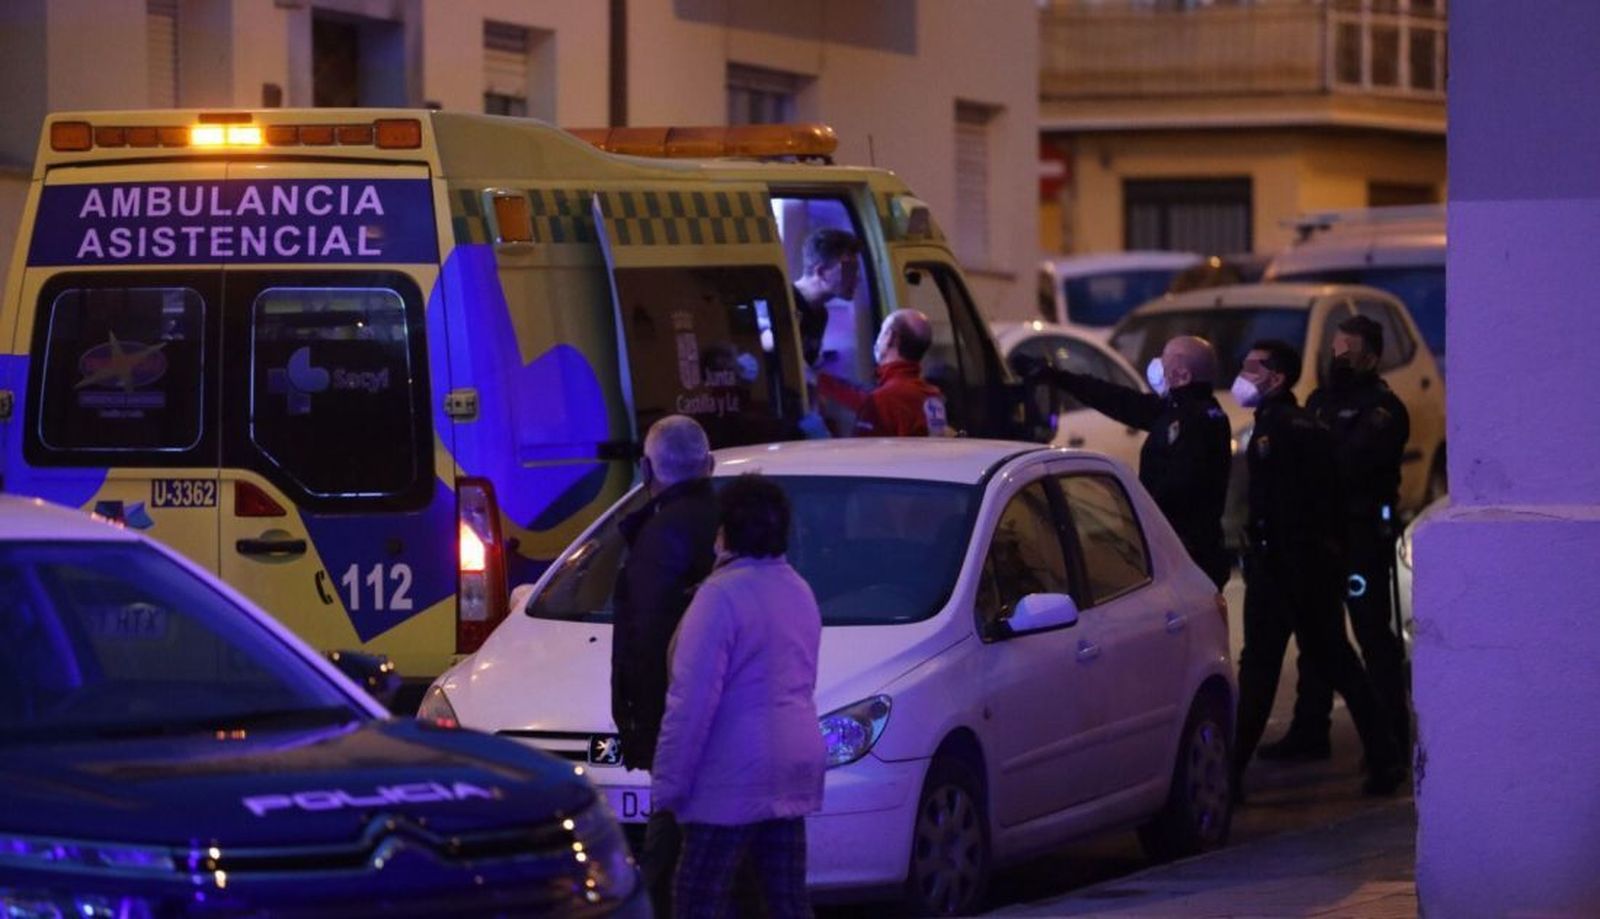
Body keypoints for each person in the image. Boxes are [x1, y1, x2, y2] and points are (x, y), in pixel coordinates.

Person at [1228, 339, 1405, 800]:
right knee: (1335, 659)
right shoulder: (1306, 422)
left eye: (1253, 368)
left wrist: (1274, 561)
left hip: (1286, 567)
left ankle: (1228, 774)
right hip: (1309, 565)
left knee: (1262, 668)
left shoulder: (1279, 431)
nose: (1243, 376)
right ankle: (1385, 756)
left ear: (1277, 378)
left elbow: (1286, 507)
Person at [651, 474, 826, 919]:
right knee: (784, 898)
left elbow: (690, 701)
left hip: (729, 776)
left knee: (697, 897)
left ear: (724, 530)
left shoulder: (719, 597)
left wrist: (668, 785)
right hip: (792, 764)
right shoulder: (799, 589)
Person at [1261, 315, 1412, 761]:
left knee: (1371, 633)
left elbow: (1347, 464)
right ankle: (1311, 728)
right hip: (1324, 537)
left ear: (1370, 354)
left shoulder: (1383, 409)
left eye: (1347, 349)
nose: (1338, 357)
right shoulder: (1320, 402)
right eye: (1335, 349)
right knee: (1317, 634)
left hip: (1362, 534)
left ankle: (1390, 738)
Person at [610, 415, 719, 917]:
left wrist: (644, 726)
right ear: (709, 465)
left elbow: (648, 641)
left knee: (668, 846)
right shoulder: (728, 525)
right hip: (719, 716)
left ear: (647, 467)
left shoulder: (659, 535)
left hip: (678, 719)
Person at [1021, 335, 1232, 588]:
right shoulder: (1178, 410)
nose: (1158, 367)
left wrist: (1131, 508)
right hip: (1177, 548)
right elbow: (1117, 399)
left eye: (1164, 361)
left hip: (1189, 554)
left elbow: (1179, 488)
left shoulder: (1198, 420)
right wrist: (1056, 376)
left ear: (1183, 375)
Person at [849, 308, 950, 437]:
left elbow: (861, 453)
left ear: (890, 337)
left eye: (882, 331)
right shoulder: (933, 396)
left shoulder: (882, 400)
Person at [791, 228, 863, 369]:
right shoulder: (783, 301)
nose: (857, 278)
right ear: (821, 272)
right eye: (850, 270)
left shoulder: (821, 314)